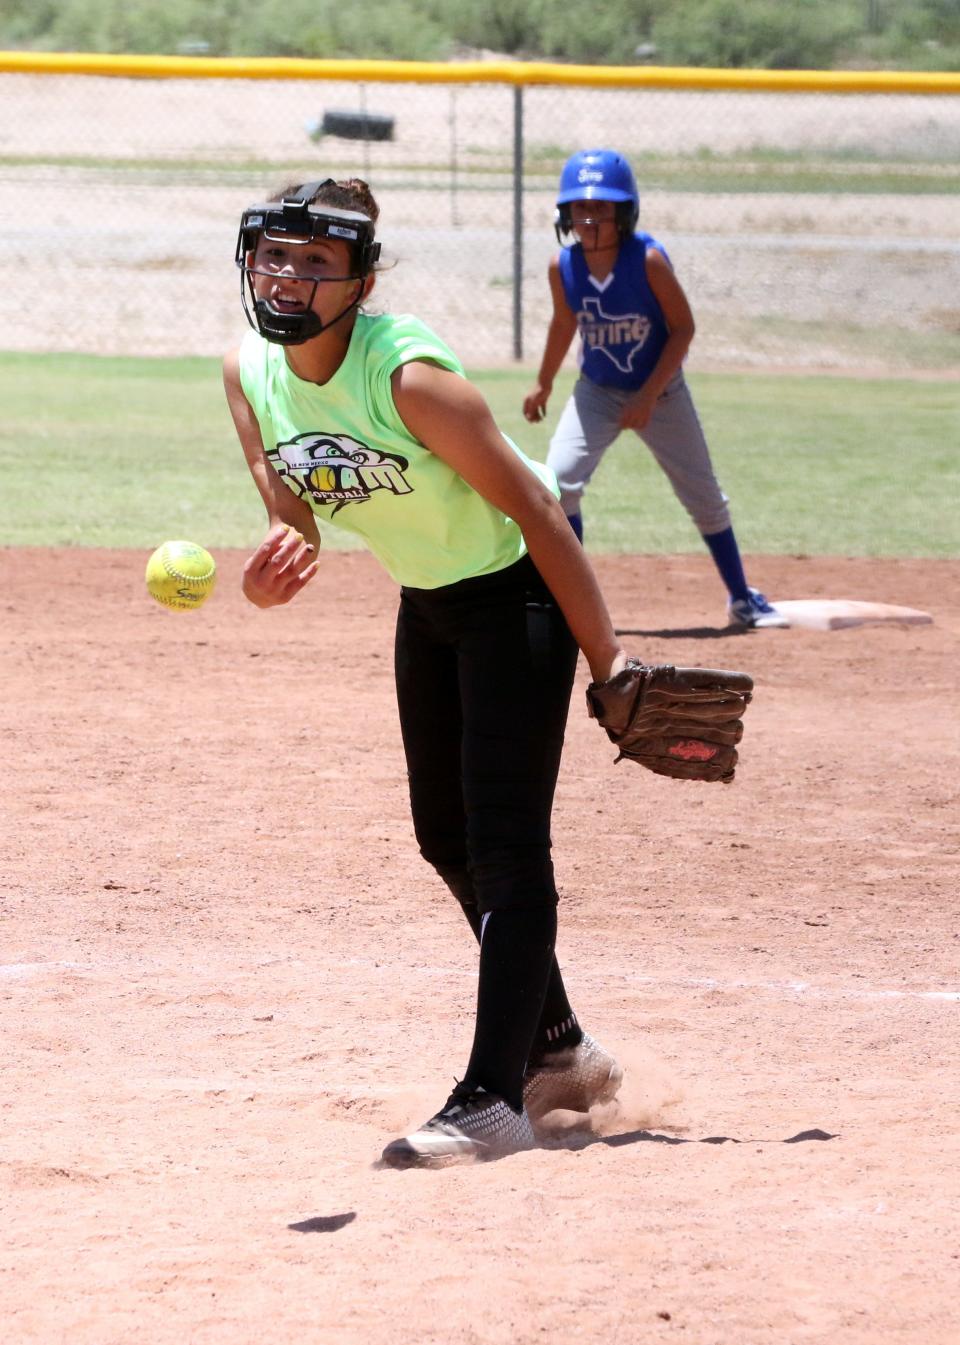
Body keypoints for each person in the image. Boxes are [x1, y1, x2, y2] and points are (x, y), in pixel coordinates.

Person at [224, 176, 626, 1167]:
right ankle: (561, 1049)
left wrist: (611, 665)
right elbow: (296, 508)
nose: (289, 275)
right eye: (275, 254)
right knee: (444, 837)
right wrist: (281, 564)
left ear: (360, 280)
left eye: (316, 262)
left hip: (517, 597)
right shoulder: (249, 373)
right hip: (432, 602)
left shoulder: (409, 378)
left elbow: (539, 513)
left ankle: (493, 1098)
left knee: (503, 839)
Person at [523, 148, 787, 630]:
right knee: (558, 485)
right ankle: (575, 601)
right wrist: (543, 382)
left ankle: (741, 598)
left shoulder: (646, 260)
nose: (589, 218)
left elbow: (683, 329)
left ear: (625, 212)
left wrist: (648, 395)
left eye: (602, 207)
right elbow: (565, 321)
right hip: (597, 392)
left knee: (703, 496)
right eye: (580, 208)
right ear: (565, 215)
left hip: (661, 393)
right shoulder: (561, 267)